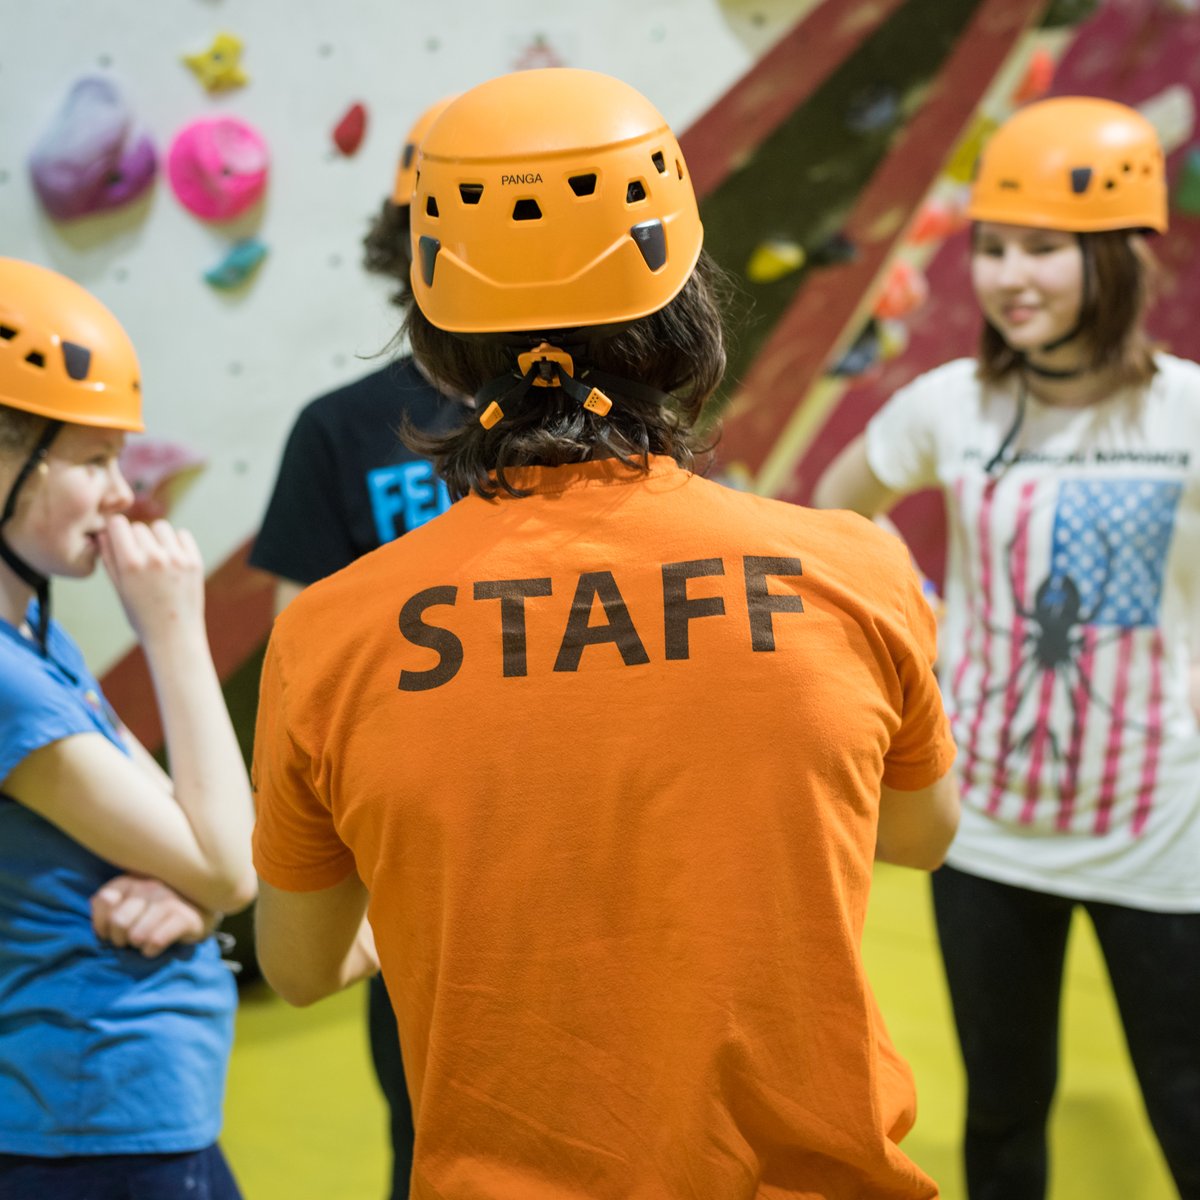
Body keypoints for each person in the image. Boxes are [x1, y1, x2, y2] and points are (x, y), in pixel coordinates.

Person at [251, 68, 959, 1199]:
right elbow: (919, 834)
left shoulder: (332, 633)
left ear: (439, 342)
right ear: (686, 310)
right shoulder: (852, 569)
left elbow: (297, 964)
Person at [814, 96, 1200, 1199]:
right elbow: (840, 523)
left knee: (1184, 1093)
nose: (1009, 277)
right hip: (987, 830)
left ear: (1123, 256)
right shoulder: (951, 405)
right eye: (992, 248)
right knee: (1002, 1111)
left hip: (1160, 823)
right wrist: (916, 640)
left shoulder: (1186, 412)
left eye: (1045, 250)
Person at [0, 258, 256, 1199]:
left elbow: (210, 848)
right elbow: (231, 859)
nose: (124, 492)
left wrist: (193, 894)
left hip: (116, 1116)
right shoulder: (7, 679)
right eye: (94, 459)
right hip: (86, 1120)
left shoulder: (34, 637)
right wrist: (175, 629)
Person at [249, 94, 463, 1200]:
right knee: (429, 1139)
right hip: (408, 856)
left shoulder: (610, 425)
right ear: (408, 244)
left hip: (588, 828)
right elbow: (302, 669)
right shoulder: (340, 429)